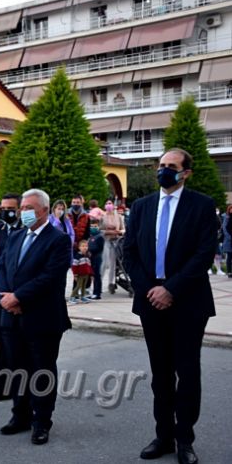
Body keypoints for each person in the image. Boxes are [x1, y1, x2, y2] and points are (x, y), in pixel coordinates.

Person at [123, 149, 217, 464]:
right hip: (151, 302)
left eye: (171, 167)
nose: (164, 171)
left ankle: (184, 440)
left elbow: (204, 254)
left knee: (187, 372)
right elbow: (130, 252)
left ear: (186, 172)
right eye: (161, 165)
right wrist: (150, 289)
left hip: (188, 301)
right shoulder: (141, 206)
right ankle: (163, 436)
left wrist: (170, 288)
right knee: (160, 374)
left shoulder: (202, 206)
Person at [0, 188, 72, 446]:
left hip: (42, 318)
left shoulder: (58, 240)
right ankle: (21, 416)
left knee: (41, 372)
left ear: (45, 211)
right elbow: (2, 267)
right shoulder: (16, 236)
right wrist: (7, 297)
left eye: (30, 208)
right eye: (22, 208)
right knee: (18, 369)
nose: (23, 212)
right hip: (11, 318)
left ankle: (41, 422)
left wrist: (19, 298)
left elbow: (50, 277)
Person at [0, 193, 24, 403]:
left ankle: (22, 390)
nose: (5, 211)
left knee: (22, 346)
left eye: (10, 208)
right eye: (3, 208)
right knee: (2, 342)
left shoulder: (25, 230)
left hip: (20, 296)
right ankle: (3, 386)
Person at [101, 199, 126, 294]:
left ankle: (111, 283)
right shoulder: (102, 217)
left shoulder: (119, 217)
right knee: (104, 263)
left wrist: (119, 232)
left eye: (110, 203)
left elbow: (124, 229)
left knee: (113, 264)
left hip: (116, 242)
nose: (109, 205)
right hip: (106, 242)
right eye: (107, 203)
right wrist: (107, 232)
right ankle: (98, 283)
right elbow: (99, 230)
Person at [69, 240, 93, 304]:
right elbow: (74, 266)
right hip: (80, 274)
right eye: (83, 246)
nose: (85, 247)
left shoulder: (87, 256)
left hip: (86, 274)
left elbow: (89, 265)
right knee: (78, 286)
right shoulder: (77, 256)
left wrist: (91, 273)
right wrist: (75, 274)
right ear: (79, 247)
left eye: (86, 246)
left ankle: (83, 296)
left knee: (83, 286)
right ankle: (72, 297)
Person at [87, 218, 105, 300]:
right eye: (91, 226)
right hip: (91, 257)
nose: (93, 227)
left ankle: (97, 293)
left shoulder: (100, 236)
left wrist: (92, 251)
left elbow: (100, 248)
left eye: (95, 226)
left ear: (98, 226)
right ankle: (94, 291)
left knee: (97, 275)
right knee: (93, 275)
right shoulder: (90, 236)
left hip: (97, 257)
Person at [223, 205, 232, 278]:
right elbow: (224, 228)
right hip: (229, 240)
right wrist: (229, 237)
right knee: (229, 256)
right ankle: (229, 271)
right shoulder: (227, 218)